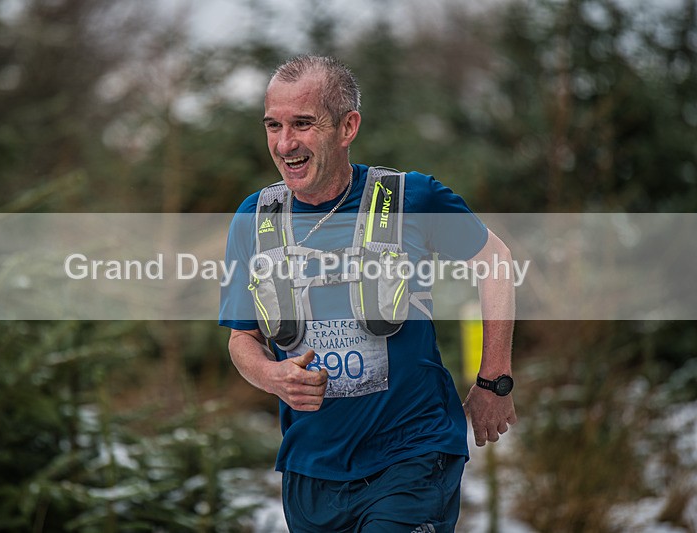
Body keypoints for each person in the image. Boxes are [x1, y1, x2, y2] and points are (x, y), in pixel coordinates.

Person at [219, 55, 516, 532]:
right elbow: (242, 339)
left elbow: (496, 262)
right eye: (273, 125)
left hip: (412, 456)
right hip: (311, 472)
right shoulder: (255, 218)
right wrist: (273, 376)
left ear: (347, 126)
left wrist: (493, 379)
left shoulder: (412, 199)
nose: (284, 143)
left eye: (303, 124)